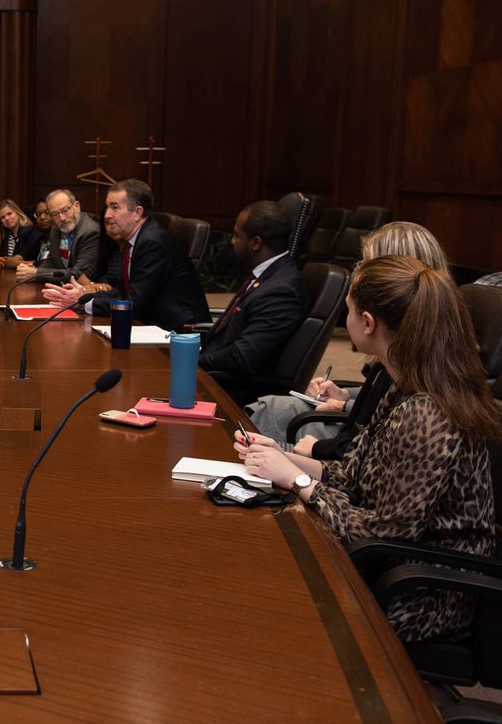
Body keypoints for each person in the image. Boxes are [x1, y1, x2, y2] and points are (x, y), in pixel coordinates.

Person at [238, 255, 499, 642]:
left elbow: (387, 534)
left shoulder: (427, 412)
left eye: (348, 310)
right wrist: (281, 456)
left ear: (368, 323)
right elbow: (356, 477)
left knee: (271, 605)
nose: (345, 318)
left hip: (422, 590)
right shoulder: (402, 382)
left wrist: (296, 481)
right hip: (387, 563)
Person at [246, 222, 451, 456]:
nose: (358, 269)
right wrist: (345, 396)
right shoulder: (406, 342)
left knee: (277, 419)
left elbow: (378, 437)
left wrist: (303, 471)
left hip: (353, 453)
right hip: (355, 445)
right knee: (272, 409)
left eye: (366, 262)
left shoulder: (421, 393)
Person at [41, 179, 209, 330]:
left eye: (114, 207)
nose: (106, 215)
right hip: (152, 323)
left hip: (179, 330)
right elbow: (122, 292)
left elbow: (134, 304)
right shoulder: (134, 241)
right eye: (107, 207)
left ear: (137, 212)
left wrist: (85, 303)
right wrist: (82, 297)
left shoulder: (151, 242)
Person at [200, 200, 309, 404]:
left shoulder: (281, 291)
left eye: (236, 235)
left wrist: (190, 361)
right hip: (213, 373)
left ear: (256, 243)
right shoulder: (267, 276)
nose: (232, 241)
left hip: (230, 389)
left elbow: (242, 357)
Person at [14, 188, 101, 282]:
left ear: (77, 206)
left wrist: (36, 273)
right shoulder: (56, 228)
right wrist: (31, 271)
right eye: (55, 214)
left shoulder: (90, 232)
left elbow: (78, 274)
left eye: (65, 210)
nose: (62, 218)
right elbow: (52, 261)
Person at [0, 199, 40, 269]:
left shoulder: (30, 231)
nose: (7, 218)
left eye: (9, 214)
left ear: (17, 213)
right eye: (3, 217)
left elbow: (21, 257)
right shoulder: (5, 235)